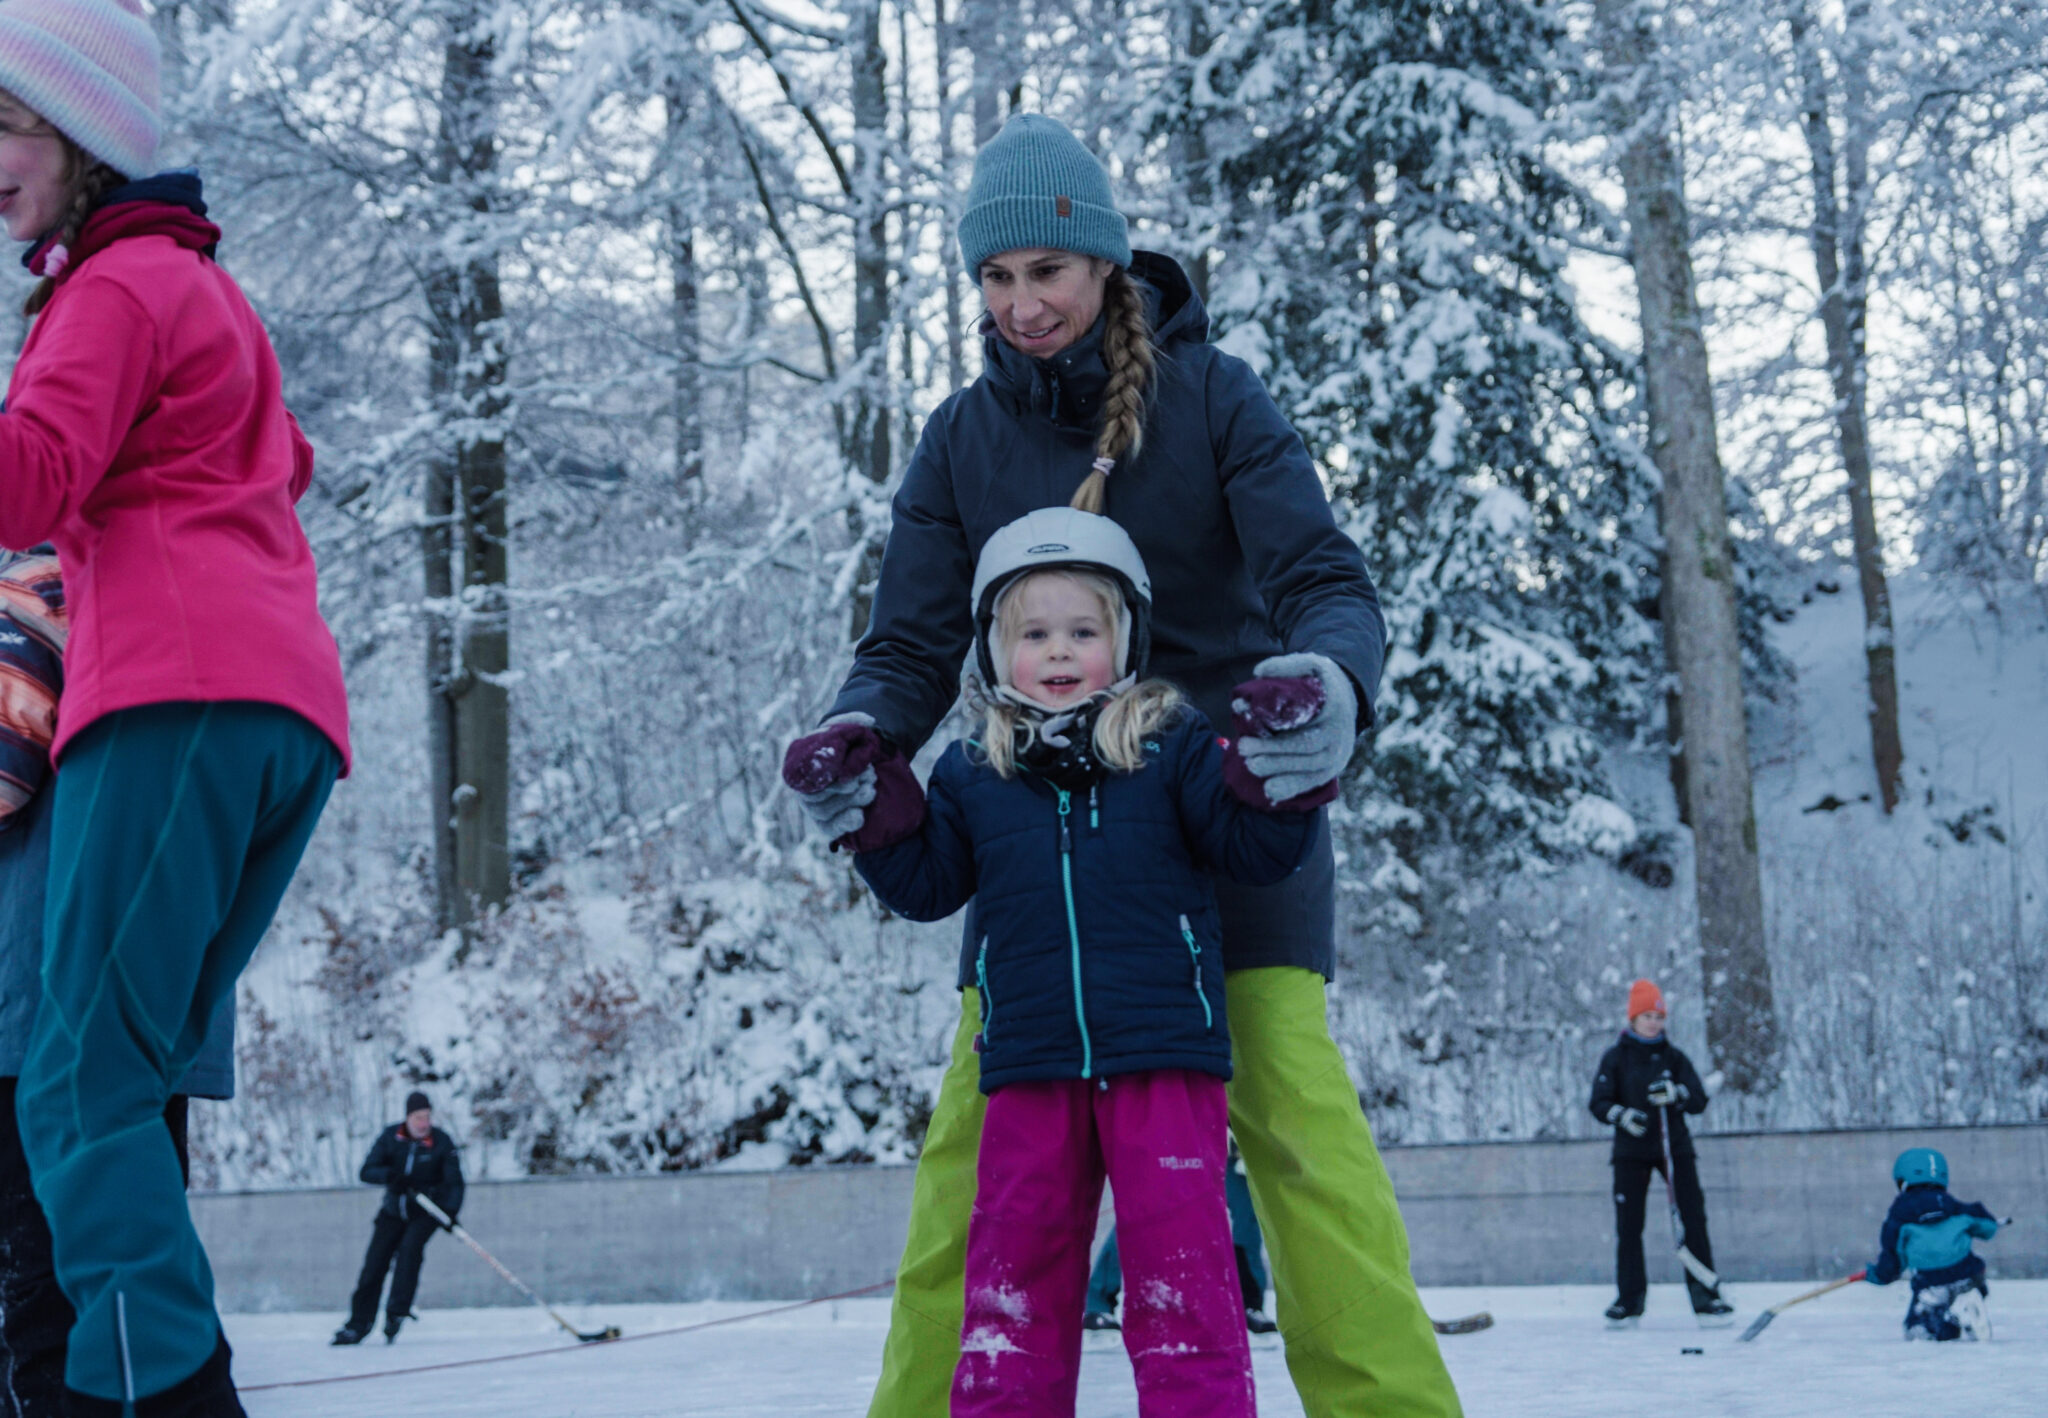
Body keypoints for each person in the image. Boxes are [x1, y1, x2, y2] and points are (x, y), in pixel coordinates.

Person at [785, 112, 1459, 1418]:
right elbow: (911, 645)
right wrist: (859, 736)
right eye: (996, 277)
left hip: (1229, 824)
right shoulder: (960, 440)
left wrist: (1329, 684)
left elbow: (1325, 582)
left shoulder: (1215, 399)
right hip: (1039, 866)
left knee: (1307, 1156)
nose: (1023, 303)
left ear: (1102, 263)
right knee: (965, 1183)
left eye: (1048, 270)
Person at [0, 4, 351, 1412]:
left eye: (11, 124)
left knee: (75, 1076)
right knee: (118, 1076)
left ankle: (154, 1391)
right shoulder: (201, 294)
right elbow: (287, 455)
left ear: (85, 138)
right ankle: (129, 1377)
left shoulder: (119, 283)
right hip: (279, 716)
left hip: (173, 695)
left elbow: (29, 477)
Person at [795, 509, 1331, 1415]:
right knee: (1013, 1293)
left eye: (1083, 630)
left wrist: (1276, 781)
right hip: (1031, 1064)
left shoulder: (1175, 748)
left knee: (1182, 1289)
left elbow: (1254, 853)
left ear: (1124, 640)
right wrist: (875, 809)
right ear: (996, 649)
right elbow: (929, 884)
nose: (1058, 651)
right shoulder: (973, 771)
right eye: (1033, 632)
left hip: (1165, 1058)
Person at [0, 552, 234, 1416]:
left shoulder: (45, 579)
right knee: (131, 1286)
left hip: (38, 1007)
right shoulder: (197, 580)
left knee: (52, 1301)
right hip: (146, 1005)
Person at [1587, 979, 1733, 1327]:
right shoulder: (1616, 1058)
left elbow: (1698, 1099)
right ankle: (1629, 1301)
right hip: (1631, 1152)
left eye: (1659, 1016)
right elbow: (1598, 1103)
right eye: (1647, 1015)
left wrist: (1676, 1093)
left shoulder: (1673, 1057)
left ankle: (1705, 1297)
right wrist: (1621, 1115)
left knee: (1692, 1219)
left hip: (1674, 1149)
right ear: (1633, 1018)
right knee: (1629, 1226)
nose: (1654, 1022)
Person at [1086, 1141, 1277, 1336]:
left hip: (1231, 1140)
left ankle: (1250, 1305)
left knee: (1245, 1218)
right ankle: (1098, 1303)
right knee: (1142, 1210)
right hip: (1177, 1135)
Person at [334, 1093, 465, 1346]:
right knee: (374, 1265)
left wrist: (449, 1213)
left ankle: (396, 1312)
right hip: (393, 1211)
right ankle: (358, 1324)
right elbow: (366, 1171)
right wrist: (392, 1176)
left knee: (409, 1255)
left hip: (424, 1213)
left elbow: (455, 1183)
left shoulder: (441, 1142)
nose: (423, 1122)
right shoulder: (391, 1137)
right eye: (418, 1117)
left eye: (427, 1116)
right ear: (407, 1117)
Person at [1865, 1147, 2001, 1341]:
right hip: (1967, 1273)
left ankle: (1940, 1320)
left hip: (1930, 1280)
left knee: (1920, 1330)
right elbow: (1986, 1227)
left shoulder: (1899, 1213)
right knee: (1965, 1286)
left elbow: (1893, 1254)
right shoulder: (1954, 1206)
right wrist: (1992, 1223)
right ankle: (1964, 1304)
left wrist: (1880, 1274)